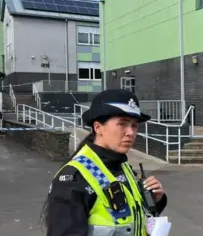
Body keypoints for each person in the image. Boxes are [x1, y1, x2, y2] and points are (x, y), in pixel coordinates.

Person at [42, 89, 168, 236]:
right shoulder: (73, 179)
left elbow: (131, 218)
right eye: (122, 124)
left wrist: (155, 200)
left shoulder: (123, 166)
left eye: (134, 125)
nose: (131, 132)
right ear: (98, 127)